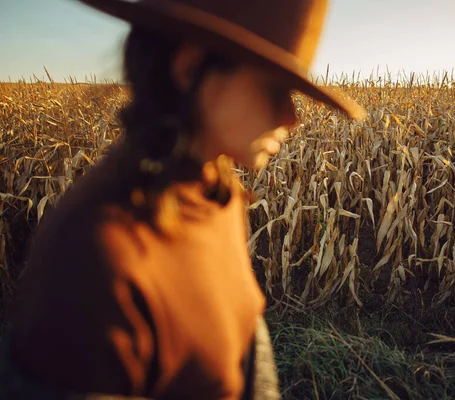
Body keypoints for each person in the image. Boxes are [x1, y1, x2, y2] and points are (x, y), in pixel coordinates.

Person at [0, 0, 366, 399]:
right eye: (276, 88)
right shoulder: (95, 259)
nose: (292, 117)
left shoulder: (216, 193)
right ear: (190, 67)